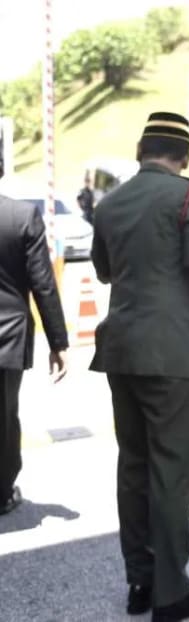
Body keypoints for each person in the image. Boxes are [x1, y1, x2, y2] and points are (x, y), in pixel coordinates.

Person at [90, 111, 189, 621]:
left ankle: (141, 582)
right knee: (172, 473)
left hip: (120, 350)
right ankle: (172, 593)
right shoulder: (188, 195)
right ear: (183, 157)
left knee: (133, 468)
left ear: (141, 151)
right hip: (171, 353)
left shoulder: (109, 203)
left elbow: (105, 271)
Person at [0, 195, 68, 516]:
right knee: (4, 415)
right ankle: (2, 492)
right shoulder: (22, 215)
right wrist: (58, 342)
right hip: (8, 334)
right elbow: (43, 283)